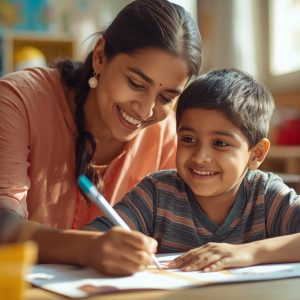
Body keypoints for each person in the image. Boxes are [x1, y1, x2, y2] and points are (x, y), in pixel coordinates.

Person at [0, 0, 202, 230]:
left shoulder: (166, 137)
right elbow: (3, 221)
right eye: (136, 83)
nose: (145, 110)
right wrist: (89, 249)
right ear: (100, 56)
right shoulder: (20, 100)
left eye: (166, 98)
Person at [87, 68, 300, 275]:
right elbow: (90, 239)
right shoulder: (157, 193)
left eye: (220, 143)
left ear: (256, 154)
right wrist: (109, 248)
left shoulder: (266, 195)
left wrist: (250, 252)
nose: (200, 157)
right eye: (188, 139)